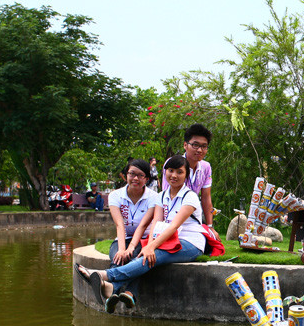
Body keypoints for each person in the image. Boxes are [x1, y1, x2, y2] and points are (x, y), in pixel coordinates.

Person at [76, 155, 203, 313]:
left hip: (189, 243)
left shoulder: (189, 197)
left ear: (186, 175)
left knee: (152, 256)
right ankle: (113, 289)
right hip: (167, 241)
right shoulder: (162, 196)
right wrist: (149, 246)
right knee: (143, 255)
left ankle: (104, 275)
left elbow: (173, 227)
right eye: (171, 170)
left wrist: (151, 247)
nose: (174, 175)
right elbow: (156, 224)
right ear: (165, 172)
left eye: (179, 172)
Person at [105, 159, 160, 308]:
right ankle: (113, 295)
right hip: (124, 237)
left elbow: (143, 226)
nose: (135, 178)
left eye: (140, 175)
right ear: (125, 175)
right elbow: (119, 224)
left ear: (146, 179)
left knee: (137, 259)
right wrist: (122, 249)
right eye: (132, 174)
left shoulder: (154, 197)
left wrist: (131, 248)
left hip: (144, 238)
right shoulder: (115, 196)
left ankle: (128, 293)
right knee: (118, 257)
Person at [164, 124, 215, 230]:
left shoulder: (206, 167)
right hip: (172, 217)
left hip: (193, 218)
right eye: (195, 145)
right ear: (185, 145)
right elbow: (167, 195)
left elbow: (206, 197)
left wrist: (210, 226)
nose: (200, 150)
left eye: (204, 146)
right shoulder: (172, 163)